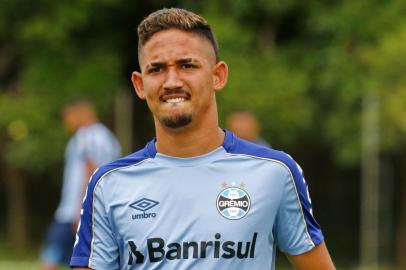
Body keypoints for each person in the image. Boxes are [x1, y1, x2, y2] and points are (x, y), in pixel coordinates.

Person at [70, 8, 335, 270]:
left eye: (187, 65)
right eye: (157, 69)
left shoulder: (275, 172)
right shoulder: (109, 184)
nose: (172, 81)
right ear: (140, 84)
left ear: (218, 76)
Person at [40, 100, 121, 270]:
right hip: (99, 210)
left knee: (49, 258)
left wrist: (82, 210)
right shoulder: (108, 137)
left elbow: (91, 171)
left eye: (67, 116)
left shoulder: (85, 136)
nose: (65, 122)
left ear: (80, 113)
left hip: (72, 212)